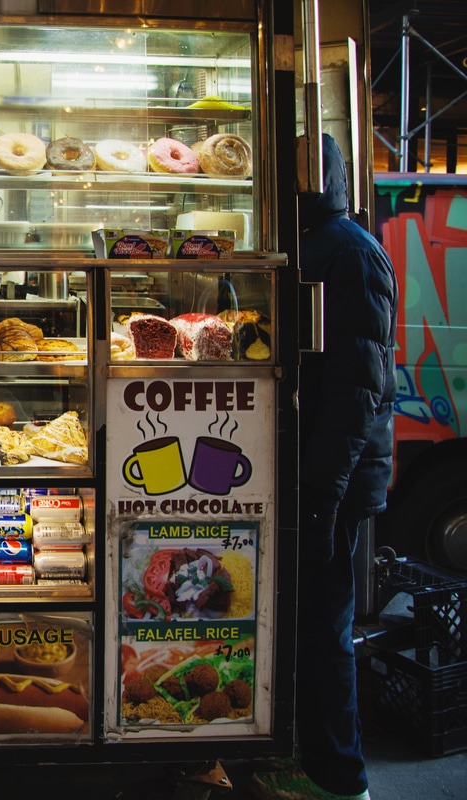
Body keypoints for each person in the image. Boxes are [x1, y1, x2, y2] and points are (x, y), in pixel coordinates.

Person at [251, 134, 397, 800]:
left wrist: (321, 494)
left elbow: (354, 390)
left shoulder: (348, 252)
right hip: (311, 473)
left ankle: (342, 779)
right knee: (305, 625)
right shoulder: (315, 242)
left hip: (328, 480)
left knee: (323, 631)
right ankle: (304, 759)